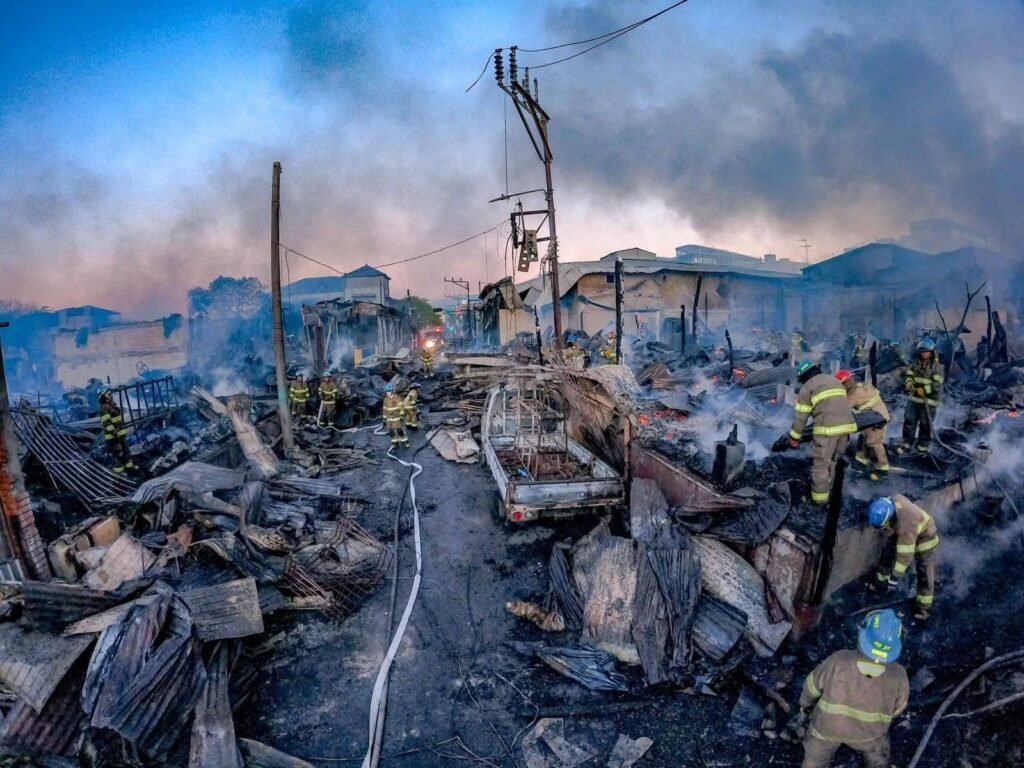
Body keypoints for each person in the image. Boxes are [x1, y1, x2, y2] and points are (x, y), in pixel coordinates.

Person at [794, 608, 909, 768]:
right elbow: (897, 709)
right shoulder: (899, 674)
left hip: (827, 728)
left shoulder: (839, 660)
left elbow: (811, 687)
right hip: (868, 735)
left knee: (815, 757)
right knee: (878, 753)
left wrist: (804, 705)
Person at [782, 361, 858, 505]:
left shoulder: (807, 388)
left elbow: (801, 417)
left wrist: (794, 437)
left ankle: (819, 501)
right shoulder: (834, 380)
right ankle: (832, 491)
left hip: (827, 430)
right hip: (847, 427)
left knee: (820, 465)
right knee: (833, 461)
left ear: (803, 377)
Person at [866, 495, 940, 621]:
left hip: (925, 539)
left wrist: (894, 579)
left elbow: (904, 557)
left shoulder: (907, 527)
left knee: (924, 572)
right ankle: (880, 584)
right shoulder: (890, 502)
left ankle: (924, 608)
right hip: (902, 530)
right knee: (887, 553)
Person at [837, 370, 890, 481]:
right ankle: (862, 460)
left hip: (878, 419)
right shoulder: (856, 387)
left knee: (873, 442)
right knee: (864, 437)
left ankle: (883, 469)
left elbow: (842, 409)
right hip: (871, 417)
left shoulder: (854, 395)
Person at [899, 338, 942, 454]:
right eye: (922, 351)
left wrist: (924, 390)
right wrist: (909, 385)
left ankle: (922, 448)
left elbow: (937, 385)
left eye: (926, 351)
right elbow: (909, 376)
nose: (924, 354)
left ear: (931, 352)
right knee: (909, 421)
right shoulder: (915, 364)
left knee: (925, 425)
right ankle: (906, 444)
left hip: (929, 401)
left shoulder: (937, 367)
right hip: (914, 399)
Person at [98, 388, 135, 473]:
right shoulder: (104, 407)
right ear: (103, 397)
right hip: (112, 435)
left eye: (111, 394)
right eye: (109, 394)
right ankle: (119, 470)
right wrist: (114, 433)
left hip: (120, 433)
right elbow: (107, 423)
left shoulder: (111, 405)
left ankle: (129, 467)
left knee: (125, 450)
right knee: (117, 452)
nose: (111, 396)